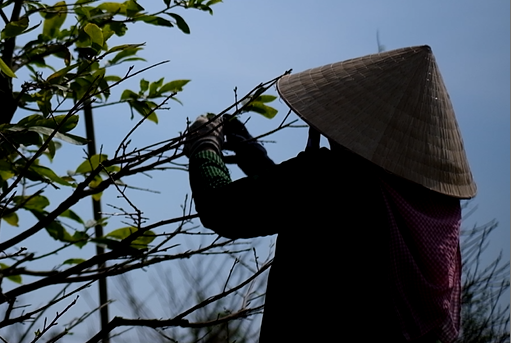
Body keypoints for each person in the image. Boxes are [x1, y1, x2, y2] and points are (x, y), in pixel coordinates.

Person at [184, 46, 475, 343]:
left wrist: (203, 145)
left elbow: (222, 208)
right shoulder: (427, 206)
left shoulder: (327, 179)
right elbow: (305, 206)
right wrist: (252, 154)